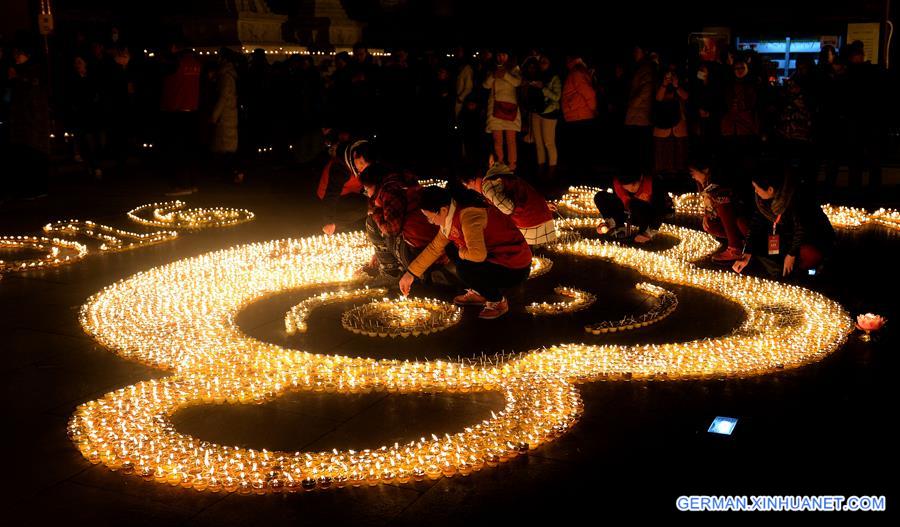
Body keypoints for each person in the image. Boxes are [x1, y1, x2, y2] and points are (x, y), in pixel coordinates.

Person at [399, 187, 532, 320]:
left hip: (514, 266)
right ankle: (480, 291)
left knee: (464, 269)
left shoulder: (469, 216)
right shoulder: (451, 216)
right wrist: (410, 274)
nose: (431, 222)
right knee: (451, 248)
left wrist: (461, 252)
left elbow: (478, 255)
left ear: (443, 210)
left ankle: (497, 301)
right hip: (496, 258)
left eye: (430, 218)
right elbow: (434, 248)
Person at [355, 145, 439, 283]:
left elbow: (391, 230)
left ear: (374, 184)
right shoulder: (401, 181)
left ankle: (391, 272)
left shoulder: (389, 192)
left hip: (418, 253)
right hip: (429, 249)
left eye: (366, 189)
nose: (367, 194)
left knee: (372, 222)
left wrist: (375, 211)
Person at [732, 169, 835, 278]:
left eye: (757, 188)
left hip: (807, 239)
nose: (756, 191)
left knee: (809, 254)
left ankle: (799, 269)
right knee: (742, 223)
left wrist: (791, 254)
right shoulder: (762, 200)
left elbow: (801, 229)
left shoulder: (797, 198)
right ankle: (774, 262)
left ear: (770, 189)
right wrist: (747, 252)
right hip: (780, 237)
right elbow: (755, 224)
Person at [459, 158, 557, 246]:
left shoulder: (487, 187)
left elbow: (508, 208)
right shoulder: (498, 176)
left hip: (530, 219)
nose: (468, 188)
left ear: (472, 180)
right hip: (538, 211)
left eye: (466, 185)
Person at [159, 41, 202, 196]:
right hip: (193, 110)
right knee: (190, 150)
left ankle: (181, 185)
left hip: (176, 111)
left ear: (173, 47)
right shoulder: (196, 63)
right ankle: (192, 183)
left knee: (178, 150)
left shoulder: (174, 62)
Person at [688, 158, 749, 263]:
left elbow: (728, 199)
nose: (692, 176)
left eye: (693, 172)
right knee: (710, 225)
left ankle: (735, 248)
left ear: (706, 170)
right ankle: (740, 241)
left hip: (739, 213)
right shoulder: (702, 183)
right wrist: (706, 215)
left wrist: (714, 199)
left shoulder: (721, 178)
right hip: (724, 218)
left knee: (722, 203)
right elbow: (707, 202)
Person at [593, 168, 671, 244]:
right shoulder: (620, 184)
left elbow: (660, 210)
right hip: (629, 212)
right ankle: (619, 227)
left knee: (635, 204)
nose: (632, 189)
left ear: (641, 178)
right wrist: (609, 223)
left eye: (634, 184)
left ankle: (642, 232)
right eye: (627, 187)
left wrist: (648, 232)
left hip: (647, 214)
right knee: (600, 197)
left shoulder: (653, 183)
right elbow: (620, 205)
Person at [318, 137, 370, 234]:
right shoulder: (340, 168)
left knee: (371, 204)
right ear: (354, 155)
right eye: (361, 163)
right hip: (329, 195)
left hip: (349, 191)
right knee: (366, 206)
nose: (362, 168)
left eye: (366, 166)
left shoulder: (360, 163)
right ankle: (334, 225)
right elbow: (331, 194)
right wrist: (328, 221)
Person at [209, 49, 243, 184]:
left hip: (226, 115)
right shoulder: (226, 75)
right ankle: (231, 173)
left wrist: (214, 115)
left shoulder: (226, 77)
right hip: (227, 114)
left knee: (225, 149)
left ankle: (232, 174)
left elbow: (223, 97)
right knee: (226, 148)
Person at [483, 51, 522, 170]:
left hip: (510, 109)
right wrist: (493, 75)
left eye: (504, 54)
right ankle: (499, 164)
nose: (501, 57)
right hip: (495, 109)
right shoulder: (492, 69)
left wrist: (505, 74)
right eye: (499, 55)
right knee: (497, 140)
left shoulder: (514, 69)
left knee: (511, 140)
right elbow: (485, 85)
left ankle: (512, 166)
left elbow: (517, 82)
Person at [561, 55, 597, 180]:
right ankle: (580, 178)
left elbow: (588, 93)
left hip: (579, 116)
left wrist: (593, 109)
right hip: (578, 115)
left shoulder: (577, 72)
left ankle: (581, 179)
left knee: (580, 152)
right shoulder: (579, 72)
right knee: (580, 151)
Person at [624, 45, 657, 176]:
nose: (634, 54)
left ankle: (642, 175)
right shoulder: (641, 67)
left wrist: (632, 104)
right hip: (637, 115)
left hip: (640, 115)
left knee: (640, 147)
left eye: (637, 51)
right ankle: (639, 174)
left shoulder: (646, 68)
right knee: (637, 147)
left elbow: (646, 90)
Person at [527, 55, 562, 178]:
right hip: (536, 112)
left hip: (549, 113)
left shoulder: (555, 78)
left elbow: (557, 97)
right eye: (541, 62)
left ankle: (552, 169)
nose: (542, 64)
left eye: (545, 62)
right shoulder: (536, 76)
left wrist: (543, 88)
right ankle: (540, 167)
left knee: (548, 142)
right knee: (538, 143)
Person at [652, 67, 689, 177]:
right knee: (662, 158)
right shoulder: (658, 84)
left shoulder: (681, 84)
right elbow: (657, 98)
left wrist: (676, 86)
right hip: (662, 126)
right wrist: (664, 84)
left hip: (679, 126)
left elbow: (686, 96)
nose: (670, 78)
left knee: (679, 158)